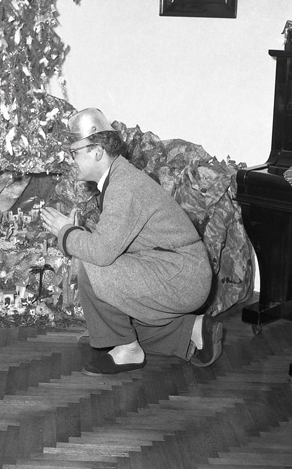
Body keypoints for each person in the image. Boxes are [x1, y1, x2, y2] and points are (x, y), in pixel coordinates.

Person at [41, 108, 222, 376]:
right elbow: (112, 241)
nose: (71, 160)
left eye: (74, 152)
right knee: (110, 323)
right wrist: (76, 232)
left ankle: (127, 349)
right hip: (174, 268)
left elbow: (101, 254)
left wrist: (65, 231)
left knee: (90, 264)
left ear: (97, 151)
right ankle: (192, 331)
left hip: (183, 276)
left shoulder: (123, 186)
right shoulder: (119, 178)